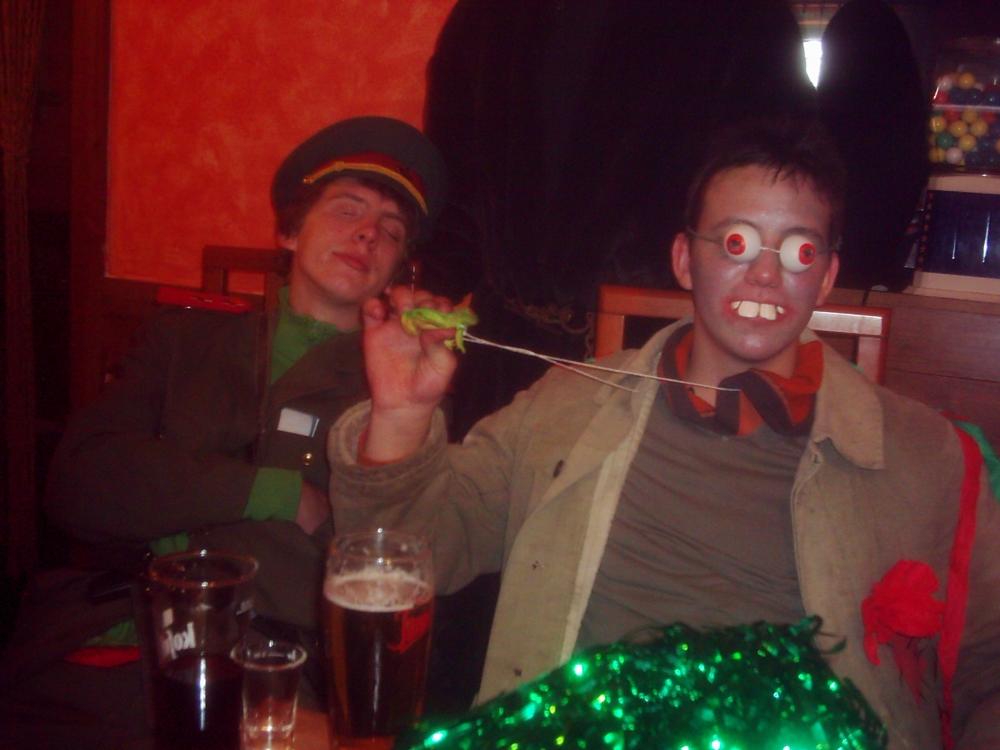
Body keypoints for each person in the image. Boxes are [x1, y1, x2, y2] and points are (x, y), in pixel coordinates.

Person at [326, 116, 1000, 748]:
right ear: (684, 259)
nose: (766, 273)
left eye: (798, 251)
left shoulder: (924, 457)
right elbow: (418, 552)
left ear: (825, 278)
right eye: (736, 243)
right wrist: (402, 415)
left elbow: (988, 668)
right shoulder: (568, 406)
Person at [0, 116, 445, 748]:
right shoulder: (185, 339)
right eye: (348, 209)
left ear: (398, 269)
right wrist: (276, 493)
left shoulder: (401, 391)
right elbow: (79, 484)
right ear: (290, 231)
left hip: (272, 669)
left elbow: (392, 559)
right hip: (113, 636)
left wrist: (171, 485)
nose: (369, 232)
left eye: (391, 231)